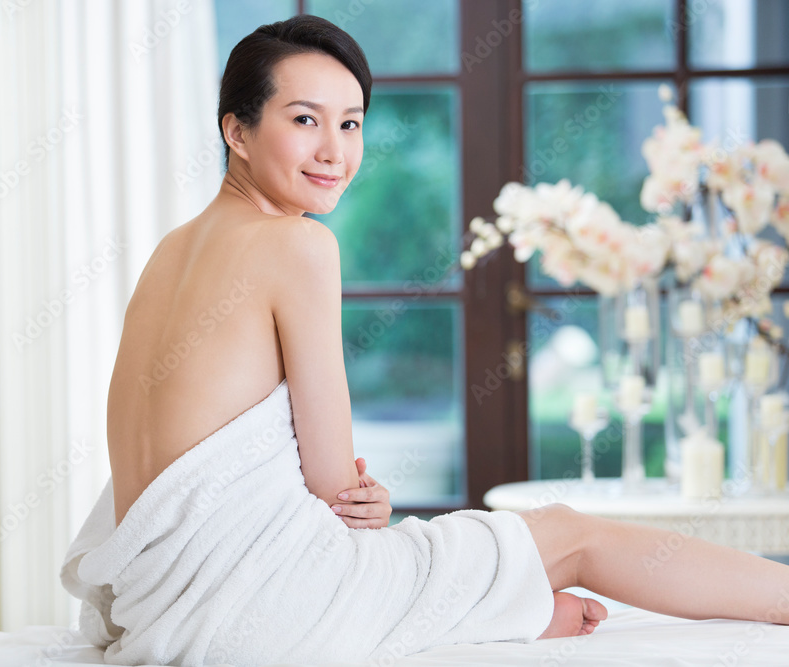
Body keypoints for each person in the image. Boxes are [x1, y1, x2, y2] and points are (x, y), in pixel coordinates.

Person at [103, 12, 789, 651]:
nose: (334, 151)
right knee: (572, 535)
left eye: (351, 124)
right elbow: (334, 489)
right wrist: (366, 499)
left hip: (156, 605)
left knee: (492, 551)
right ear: (237, 131)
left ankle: (505, 601)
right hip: (253, 607)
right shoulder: (297, 246)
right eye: (305, 119)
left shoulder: (172, 249)